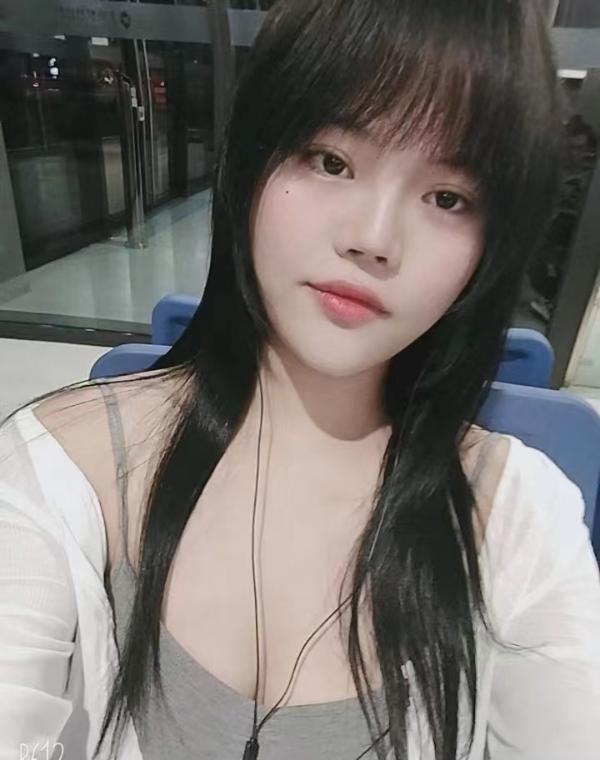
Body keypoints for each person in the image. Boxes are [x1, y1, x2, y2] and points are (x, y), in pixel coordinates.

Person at [1, 1, 599, 759]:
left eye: (446, 199)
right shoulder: (54, 473)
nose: (373, 239)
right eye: (332, 161)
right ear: (251, 162)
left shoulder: (520, 519)